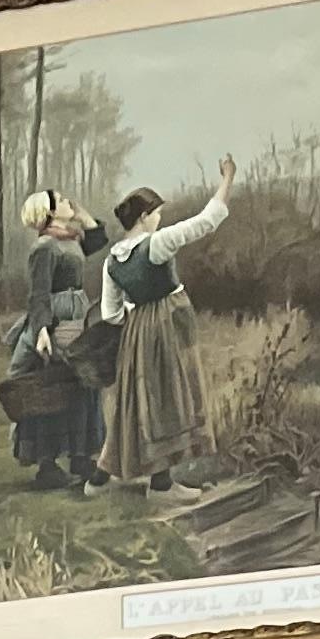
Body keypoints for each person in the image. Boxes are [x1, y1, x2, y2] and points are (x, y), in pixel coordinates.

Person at [102, 155, 237, 490]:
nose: (159, 219)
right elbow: (207, 221)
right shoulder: (157, 244)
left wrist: (138, 314)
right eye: (157, 213)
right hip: (169, 324)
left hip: (137, 330)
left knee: (148, 396)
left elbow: (111, 314)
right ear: (144, 216)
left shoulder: (112, 261)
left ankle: (124, 475)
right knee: (172, 393)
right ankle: (162, 486)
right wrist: (227, 179)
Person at [5, 188, 109, 492]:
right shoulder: (45, 247)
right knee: (52, 389)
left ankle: (80, 457)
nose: (67, 201)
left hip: (76, 317)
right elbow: (38, 293)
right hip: (56, 321)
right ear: (49, 212)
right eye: (60, 200)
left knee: (82, 384)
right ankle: (47, 465)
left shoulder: (69, 239)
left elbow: (97, 240)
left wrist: (84, 217)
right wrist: (41, 331)